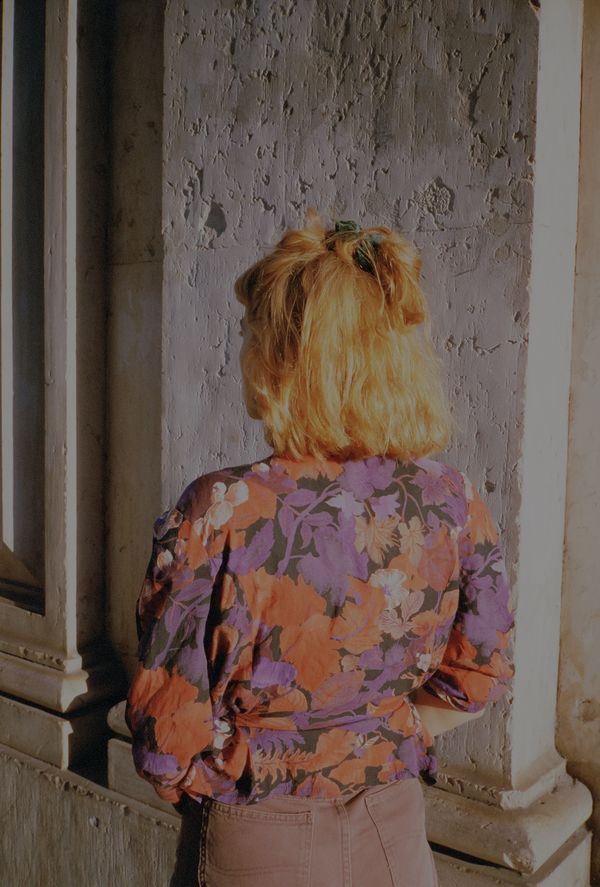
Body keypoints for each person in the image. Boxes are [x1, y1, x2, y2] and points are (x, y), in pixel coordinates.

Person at [125, 208, 516, 887]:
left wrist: (238, 767)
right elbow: (478, 676)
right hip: (395, 832)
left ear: (282, 359)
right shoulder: (452, 499)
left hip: (258, 830)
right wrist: (381, 737)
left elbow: (166, 737)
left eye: (251, 334)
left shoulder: (223, 510)